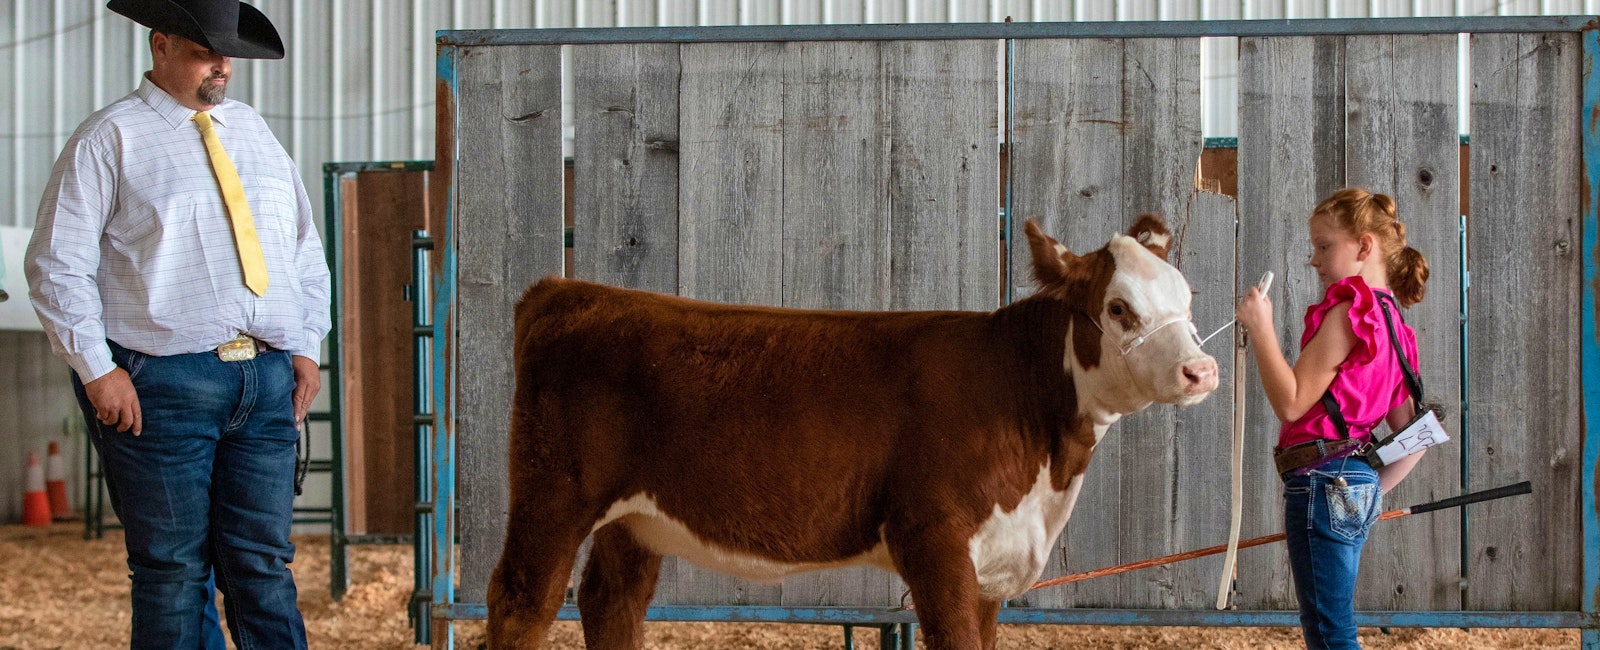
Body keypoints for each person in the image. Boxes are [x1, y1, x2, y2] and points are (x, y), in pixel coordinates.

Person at [24, 1, 327, 648]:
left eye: (227, 52)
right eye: (202, 50)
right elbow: (57, 262)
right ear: (160, 46)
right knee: (171, 572)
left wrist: (307, 342)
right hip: (161, 384)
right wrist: (97, 370)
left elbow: (301, 246)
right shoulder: (110, 139)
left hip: (265, 379)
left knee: (264, 568)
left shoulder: (252, 131)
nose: (220, 64)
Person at [1235, 188, 1431, 649]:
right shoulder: (1397, 328)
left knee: (1329, 634)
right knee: (1332, 629)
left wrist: (1261, 329)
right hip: (1351, 483)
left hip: (1321, 481)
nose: (1314, 260)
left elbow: (1291, 402)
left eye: (1325, 246)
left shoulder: (1349, 314)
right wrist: (1367, 491)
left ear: (1364, 247)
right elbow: (1414, 436)